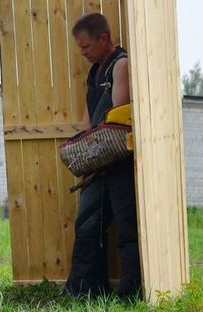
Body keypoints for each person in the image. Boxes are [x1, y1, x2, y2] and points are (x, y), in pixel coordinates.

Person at [60, 13, 142, 298]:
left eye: (85, 47)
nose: (82, 53)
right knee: (87, 224)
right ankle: (85, 290)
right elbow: (88, 119)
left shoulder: (121, 66)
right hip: (98, 160)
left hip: (119, 161)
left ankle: (130, 293)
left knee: (126, 227)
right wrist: (83, 149)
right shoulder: (95, 71)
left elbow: (117, 118)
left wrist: (99, 152)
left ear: (103, 39)